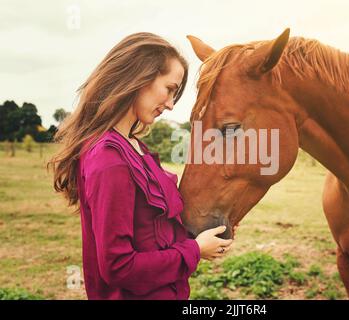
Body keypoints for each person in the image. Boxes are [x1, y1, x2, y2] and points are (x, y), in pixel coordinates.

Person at [48, 32, 233, 300]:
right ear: (139, 76)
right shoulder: (109, 158)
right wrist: (194, 251)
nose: (170, 104)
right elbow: (118, 267)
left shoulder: (135, 147)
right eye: (170, 89)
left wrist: (208, 236)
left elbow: (154, 233)